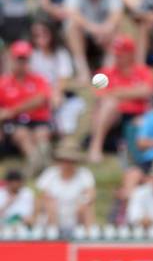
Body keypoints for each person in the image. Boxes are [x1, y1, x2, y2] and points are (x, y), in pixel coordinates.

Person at [87, 36, 153, 163]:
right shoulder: (106, 73)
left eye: (121, 54)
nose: (117, 57)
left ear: (130, 54)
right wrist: (130, 93)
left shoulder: (143, 71)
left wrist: (117, 92)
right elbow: (99, 94)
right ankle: (96, 145)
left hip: (137, 113)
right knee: (108, 105)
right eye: (116, 54)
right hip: (114, 116)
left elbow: (147, 91)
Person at [0, 41, 52, 176]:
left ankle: (41, 163)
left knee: (42, 134)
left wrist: (12, 110)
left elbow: (40, 99)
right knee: (21, 134)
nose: (22, 64)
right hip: (15, 123)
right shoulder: (4, 82)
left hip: (38, 120)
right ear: (12, 59)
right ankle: (36, 162)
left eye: (25, 60)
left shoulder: (38, 79)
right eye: (19, 59)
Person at [63, 0, 123, 82]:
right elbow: (72, 14)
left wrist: (104, 29)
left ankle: (108, 71)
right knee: (72, 26)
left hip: (104, 34)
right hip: (85, 33)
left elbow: (116, 15)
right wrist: (94, 29)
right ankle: (83, 71)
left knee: (117, 28)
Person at [29, 18, 84, 136]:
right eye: (36, 35)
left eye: (44, 33)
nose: (40, 37)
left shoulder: (60, 54)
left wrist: (54, 94)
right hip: (37, 95)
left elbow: (62, 80)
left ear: (51, 33)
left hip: (55, 95)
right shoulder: (32, 55)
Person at [36, 141, 96, 231]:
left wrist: (84, 201)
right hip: (53, 215)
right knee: (49, 203)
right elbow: (40, 196)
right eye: (63, 160)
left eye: (70, 161)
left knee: (87, 207)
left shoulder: (84, 174)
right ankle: (53, 235)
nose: (66, 164)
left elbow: (91, 194)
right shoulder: (50, 174)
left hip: (76, 214)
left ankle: (88, 237)